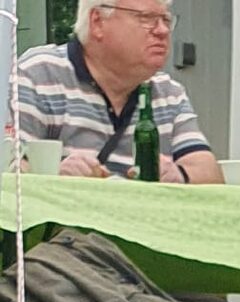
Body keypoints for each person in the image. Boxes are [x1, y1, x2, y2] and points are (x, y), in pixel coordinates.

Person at [16, 1, 222, 182]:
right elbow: (9, 171)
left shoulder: (168, 93)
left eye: (166, 20)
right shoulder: (39, 74)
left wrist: (178, 175)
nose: (162, 30)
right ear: (98, 21)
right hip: (66, 215)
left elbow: (211, 175)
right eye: (146, 18)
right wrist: (55, 175)